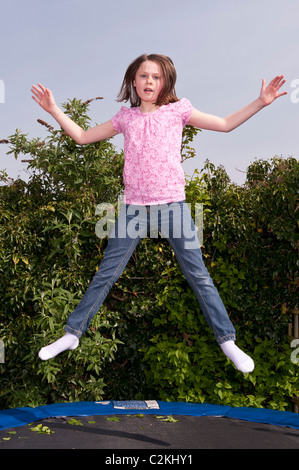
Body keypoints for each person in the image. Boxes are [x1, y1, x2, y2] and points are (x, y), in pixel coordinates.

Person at [31, 53, 287, 373]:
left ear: (165, 81)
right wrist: (54, 109)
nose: (149, 81)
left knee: (199, 276)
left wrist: (260, 102)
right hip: (134, 210)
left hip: (173, 207)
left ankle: (227, 340)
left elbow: (224, 124)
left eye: (155, 76)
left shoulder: (178, 110)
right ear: (133, 81)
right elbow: (82, 137)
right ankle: (72, 334)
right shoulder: (125, 118)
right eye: (143, 76)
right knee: (105, 275)